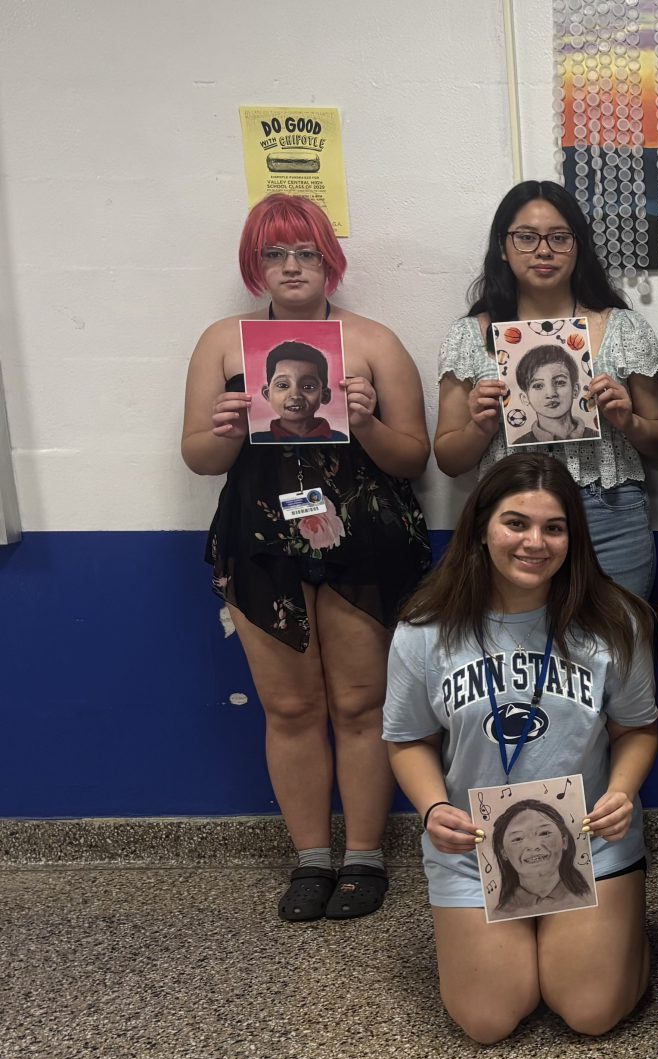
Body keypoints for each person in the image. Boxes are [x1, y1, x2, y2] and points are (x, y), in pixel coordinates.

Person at [182, 194, 431, 923]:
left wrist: (366, 421)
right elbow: (198, 456)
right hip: (259, 544)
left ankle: (364, 855)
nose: (291, 267)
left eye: (306, 252)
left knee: (360, 704)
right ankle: (309, 859)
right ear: (255, 265)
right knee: (289, 706)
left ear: (330, 260)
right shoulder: (222, 343)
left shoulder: (375, 343)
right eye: (274, 254)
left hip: (363, 540)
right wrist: (225, 428)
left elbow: (413, 458)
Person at [383, 455, 657, 1044]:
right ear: (482, 528)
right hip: (473, 845)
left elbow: (637, 729)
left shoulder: (615, 620)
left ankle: (621, 935)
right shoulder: (424, 628)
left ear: (573, 538)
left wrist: (622, 791)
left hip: (586, 838)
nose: (535, 542)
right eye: (516, 523)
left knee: (589, 1010)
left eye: (554, 528)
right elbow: (407, 739)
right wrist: (433, 810)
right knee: (489, 1019)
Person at [435, 180, 658, 599]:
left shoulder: (624, 328)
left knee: (616, 647)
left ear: (577, 246)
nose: (543, 250)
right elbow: (449, 459)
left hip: (609, 514)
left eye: (559, 238)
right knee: (521, 649)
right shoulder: (470, 336)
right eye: (526, 237)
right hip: (511, 516)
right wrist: (480, 425)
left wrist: (628, 420)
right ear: (503, 248)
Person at [490, 799, 593, 920]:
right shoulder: (501, 913)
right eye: (517, 839)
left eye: (544, 833)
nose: (533, 846)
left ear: (564, 841)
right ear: (503, 853)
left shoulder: (585, 898)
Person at [247, 340, 341, 443]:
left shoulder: (341, 439)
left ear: (325, 395)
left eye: (308, 386)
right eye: (283, 385)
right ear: (267, 394)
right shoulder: (255, 440)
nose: (295, 395)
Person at [509, 343, 596, 445]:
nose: (551, 394)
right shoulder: (519, 444)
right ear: (525, 398)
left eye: (560, 382)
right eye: (538, 386)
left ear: (575, 390)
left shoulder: (594, 435)